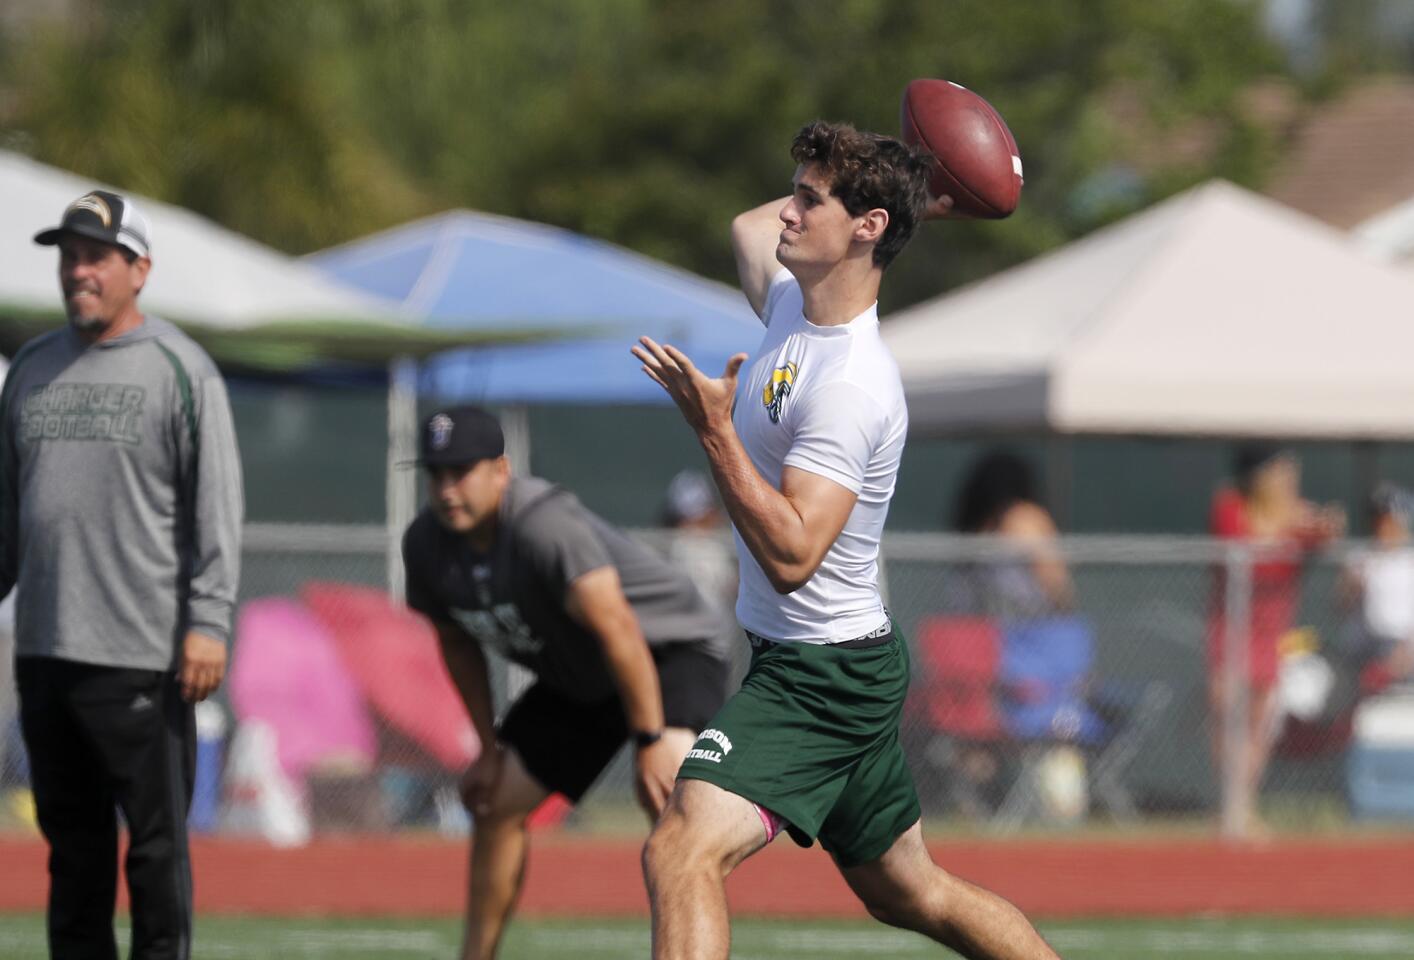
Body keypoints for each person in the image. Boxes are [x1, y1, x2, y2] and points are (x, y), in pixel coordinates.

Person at [632, 122, 1060, 959]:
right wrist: (899, 194)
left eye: (808, 198)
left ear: (862, 230)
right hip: (832, 659)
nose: (785, 212)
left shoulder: (852, 387)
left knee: (681, 847)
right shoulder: (794, 303)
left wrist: (716, 433)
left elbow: (793, 559)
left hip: (822, 678)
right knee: (913, 894)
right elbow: (746, 229)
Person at [3, 190, 244, 960]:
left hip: (143, 653)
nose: (78, 271)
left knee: (154, 857)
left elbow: (217, 506)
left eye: (96, 257)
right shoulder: (31, 370)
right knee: (72, 858)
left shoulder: (179, 369)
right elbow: (9, 515)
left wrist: (209, 622)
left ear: (139, 269)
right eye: (68, 256)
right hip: (45, 652)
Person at [400, 405, 732, 960]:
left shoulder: (540, 525)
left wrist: (648, 741)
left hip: (669, 648)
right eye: (436, 473)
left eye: (462, 471)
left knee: (671, 806)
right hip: (583, 670)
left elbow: (620, 628)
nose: (447, 487)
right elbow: (457, 644)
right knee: (497, 801)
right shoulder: (426, 547)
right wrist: (487, 747)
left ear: (501, 470)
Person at [1207, 443, 1342, 837]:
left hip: (1271, 632)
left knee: (1259, 722)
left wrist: (1323, 524)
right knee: (1227, 715)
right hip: (1231, 629)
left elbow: (1324, 535)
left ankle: (1242, 806)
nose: (1287, 481)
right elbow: (1242, 543)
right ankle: (1231, 803)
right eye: (1280, 473)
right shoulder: (1231, 505)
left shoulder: (1297, 513)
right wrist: (1290, 526)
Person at [952, 449, 1072, 620]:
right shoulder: (980, 529)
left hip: (1028, 631)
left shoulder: (1025, 519)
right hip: (983, 631)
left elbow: (1056, 584)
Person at [1339, 484, 1414, 686]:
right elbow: (1342, 606)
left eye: (1390, 519)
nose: (1383, 527)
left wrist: (1403, 655)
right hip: (1364, 651)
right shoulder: (1360, 558)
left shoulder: (1409, 560)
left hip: (1403, 651)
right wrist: (1353, 586)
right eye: (1379, 519)